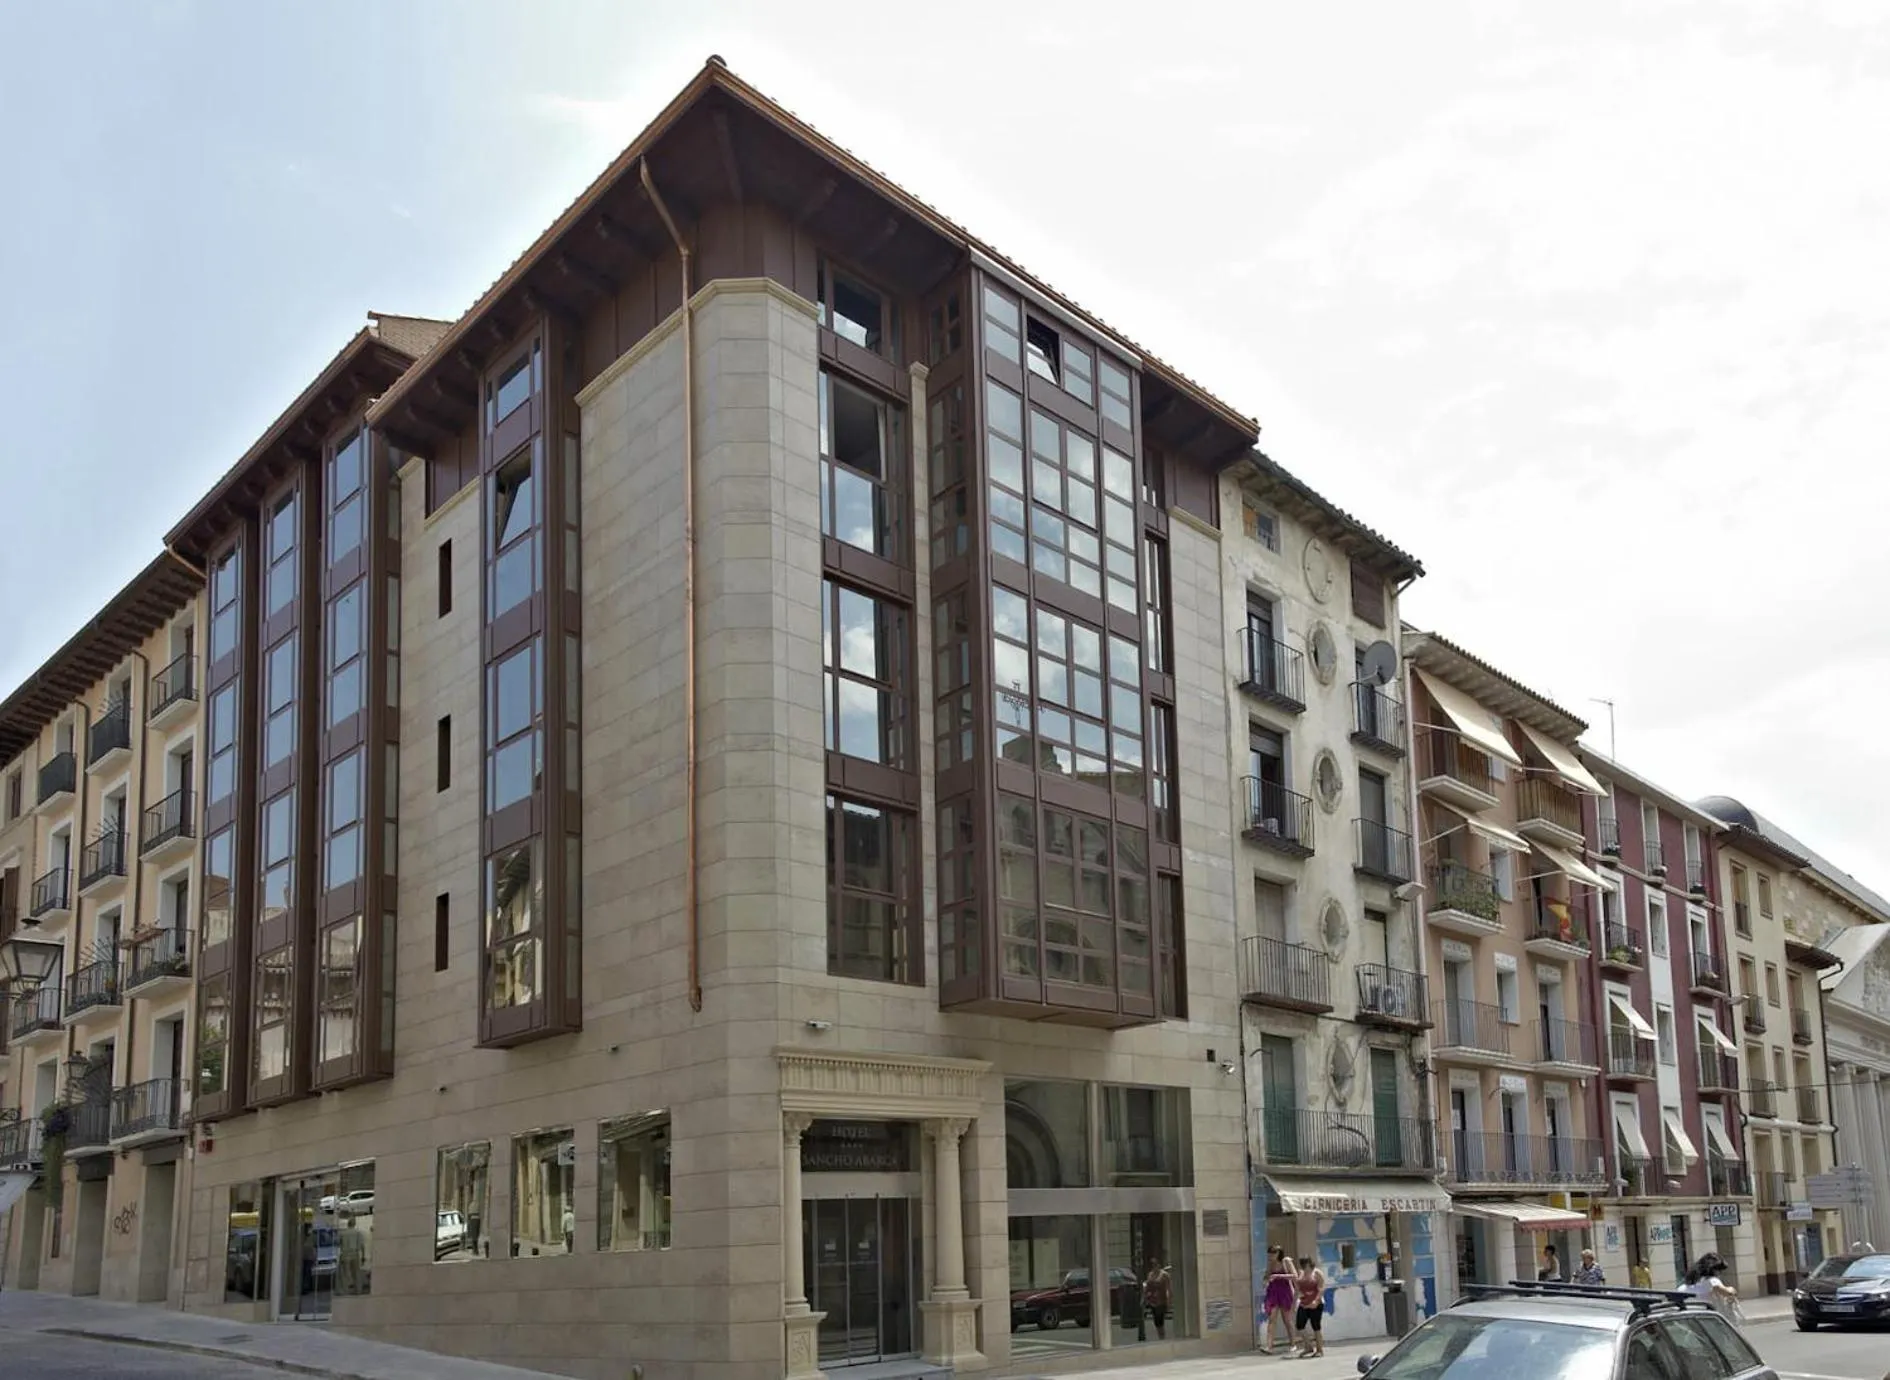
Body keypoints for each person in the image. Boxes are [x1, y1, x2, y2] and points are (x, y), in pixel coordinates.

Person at [1260, 1246, 1295, 1353]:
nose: (1271, 1256)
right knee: (1272, 1319)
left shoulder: (1286, 1261)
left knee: (1287, 1320)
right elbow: (1266, 1276)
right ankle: (1269, 1346)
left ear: (1279, 1253)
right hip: (1273, 1293)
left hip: (1285, 1292)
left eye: (1273, 1253)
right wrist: (1265, 1280)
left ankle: (1293, 1344)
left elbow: (1294, 1275)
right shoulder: (1270, 1264)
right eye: (1269, 1254)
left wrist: (1278, 1276)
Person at [1292, 1256, 1327, 1359]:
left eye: (1306, 1264)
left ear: (1310, 1264)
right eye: (1302, 1264)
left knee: (1316, 1326)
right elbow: (1297, 1289)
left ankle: (1319, 1350)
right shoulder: (1301, 1273)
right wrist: (1294, 1304)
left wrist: (1316, 1301)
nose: (1304, 1267)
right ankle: (1308, 1346)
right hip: (1304, 1303)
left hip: (1316, 1303)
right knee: (1299, 1325)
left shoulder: (1317, 1273)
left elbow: (1321, 1288)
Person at [1143, 1257, 1172, 1340]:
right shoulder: (1150, 1274)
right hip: (1153, 1301)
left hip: (1161, 1300)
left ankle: (1162, 1336)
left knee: (1160, 1319)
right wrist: (1145, 1297)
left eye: (1155, 1264)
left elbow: (1168, 1288)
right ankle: (1160, 1336)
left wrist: (1169, 1300)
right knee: (1156, 1320)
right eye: (1152, 1265)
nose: (1154, 1267)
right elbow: (1147, 1286)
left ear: (1158, 1265)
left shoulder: (1164, 1275)